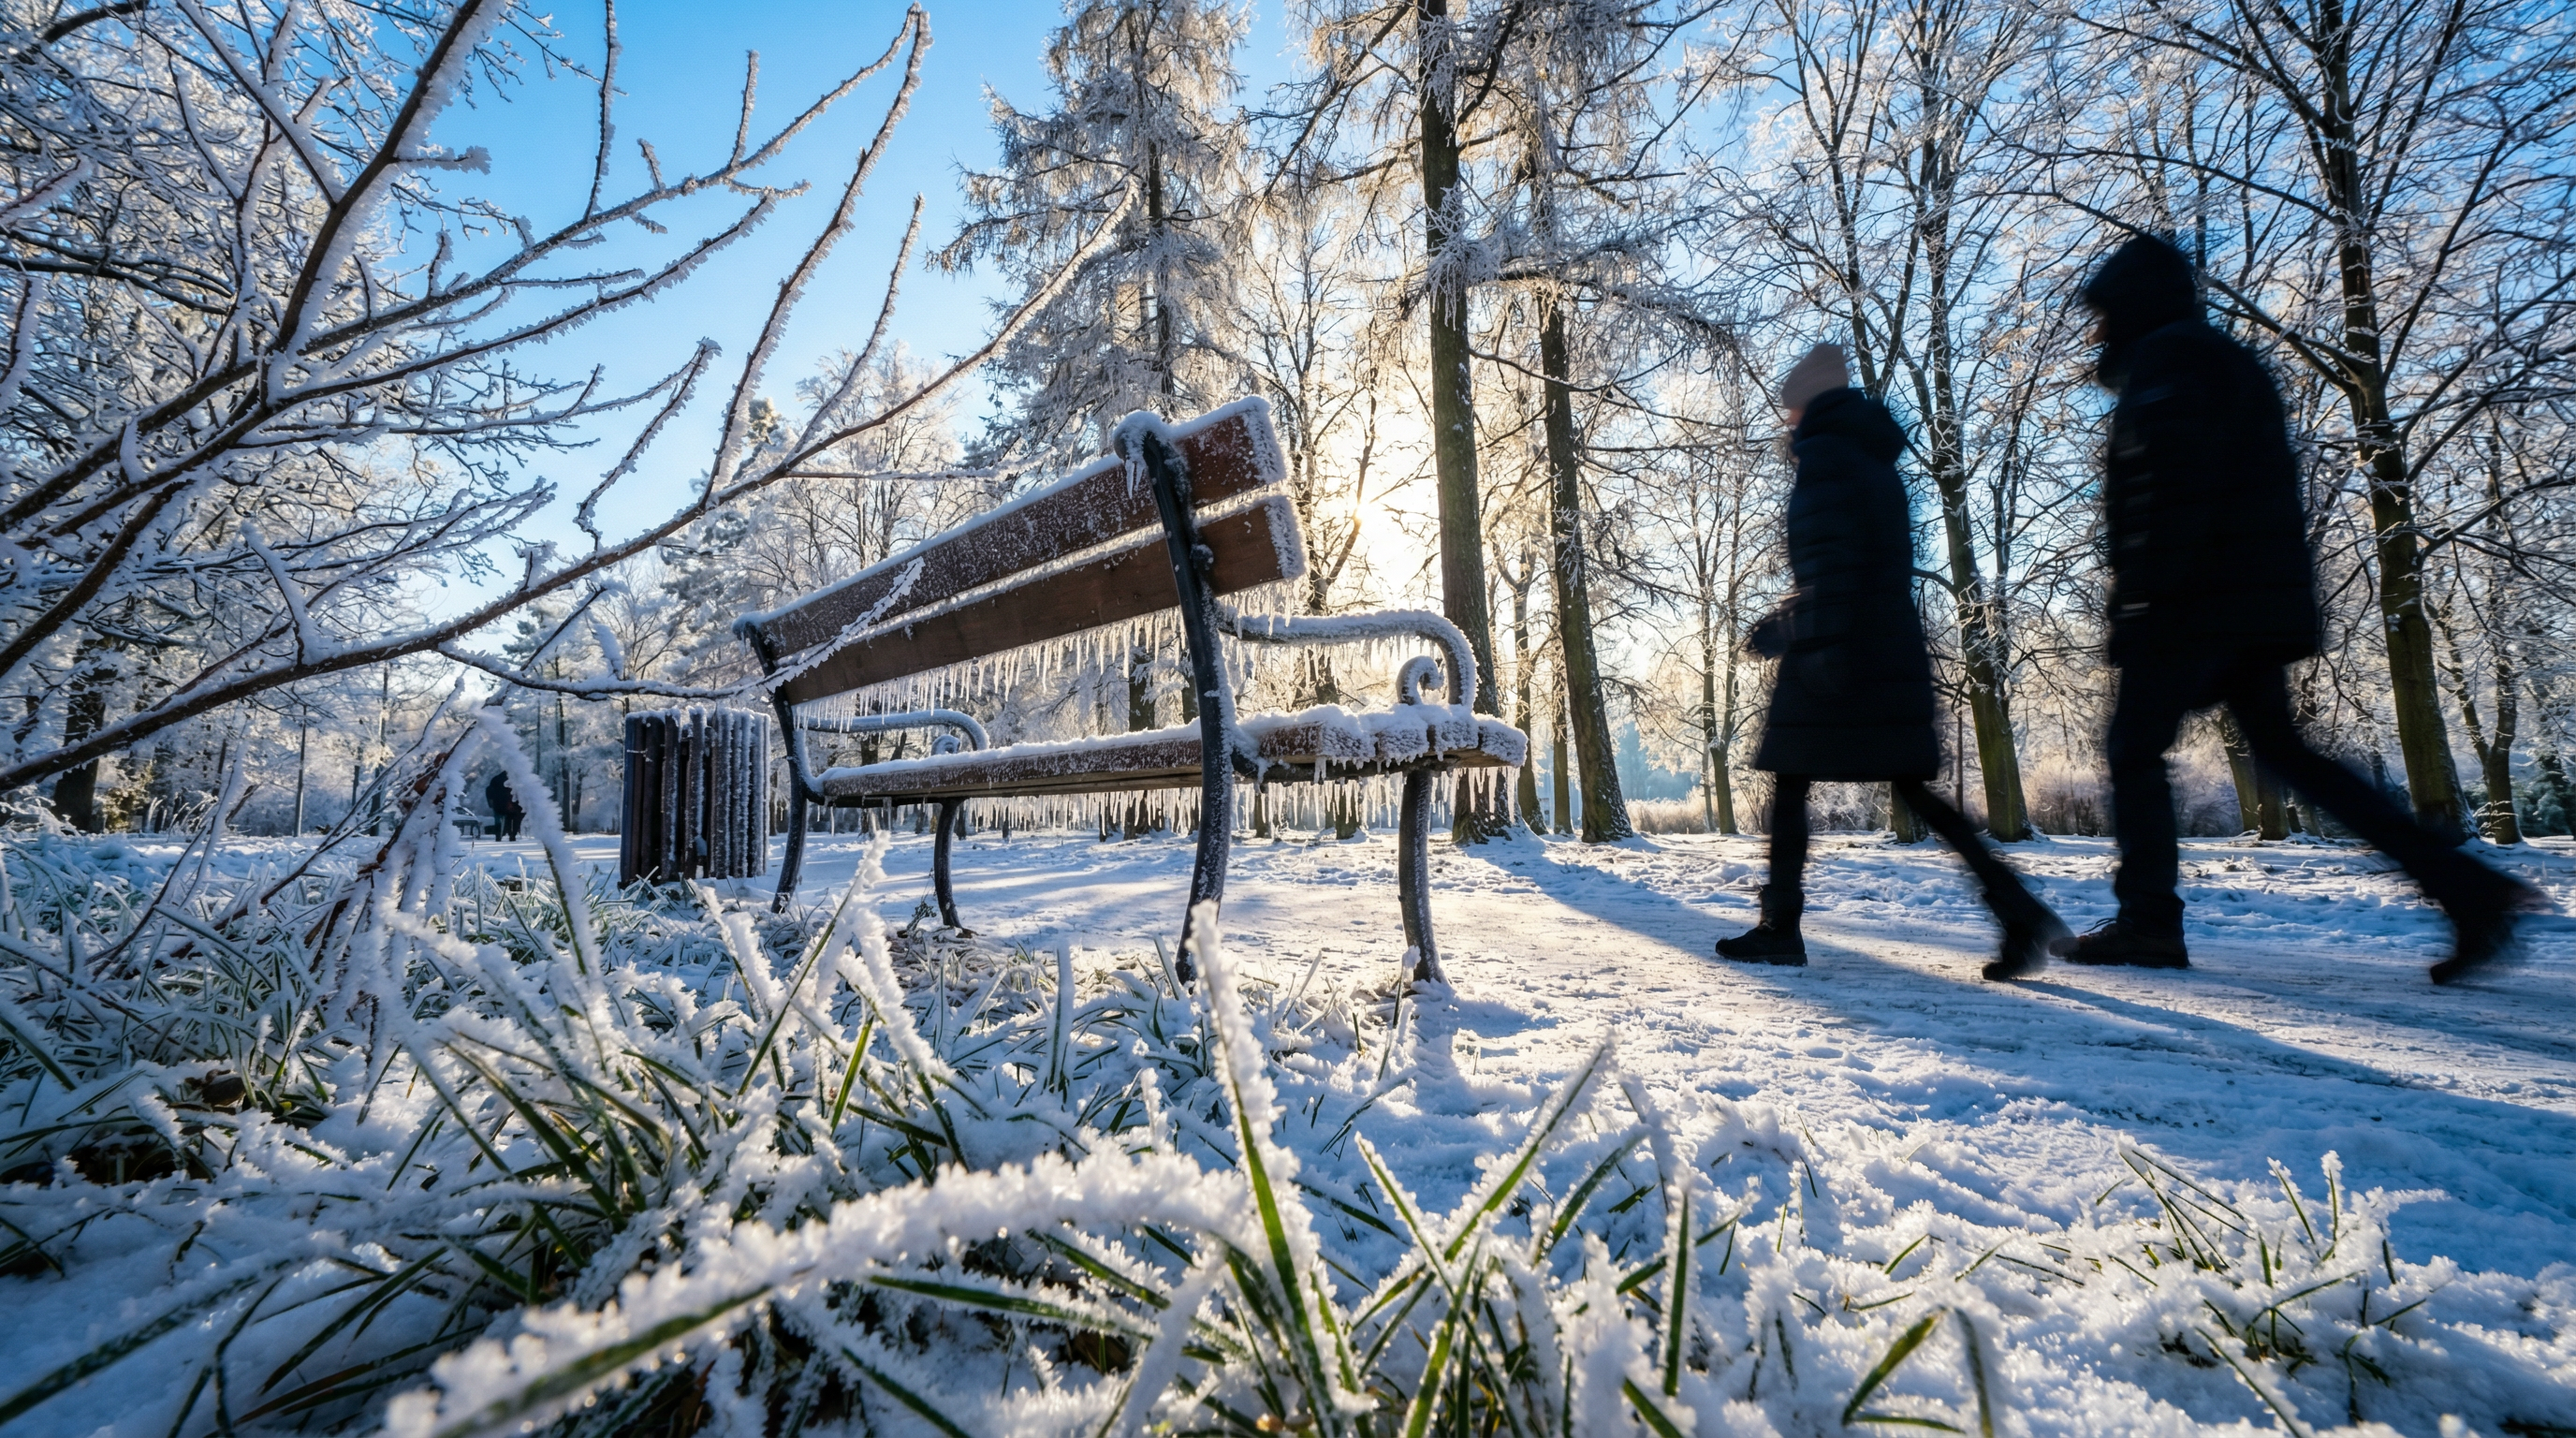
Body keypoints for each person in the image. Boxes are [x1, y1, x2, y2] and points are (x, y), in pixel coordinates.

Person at [2055, 234, 2543, 983]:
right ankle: (2468, 889)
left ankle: (2148, 923)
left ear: (2129, 308)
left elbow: (2169, 492)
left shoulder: (2169, 366)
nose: (2094, 334)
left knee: (2132, 750)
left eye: (2100, 316)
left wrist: (2145, 596)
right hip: (2250, 597)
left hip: (2193, 601)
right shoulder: (2219, 359)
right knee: (2288, 754)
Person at [1718, 344, 2069, 978]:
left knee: (1793, 782)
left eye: (1790, 406)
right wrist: (1790, 618)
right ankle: (2018, 910)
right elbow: (1857, 561)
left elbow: (1833, 564)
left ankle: (1780, 928)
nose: (1787, 418)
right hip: (1883, 643)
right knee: (1910, 787)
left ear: (1807, 404)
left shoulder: (1825, 460)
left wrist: (1800, 633)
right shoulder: (1870, 457)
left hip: (1840, 650)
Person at [486, 770, 524, 842]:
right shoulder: (513, 780)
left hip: (497, 804)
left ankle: (498, 835)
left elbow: (488, 790)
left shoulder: (495, 779)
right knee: (512, 820)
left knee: (499, 821)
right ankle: (512, 835)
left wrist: (491, 802)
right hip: (511, 804)